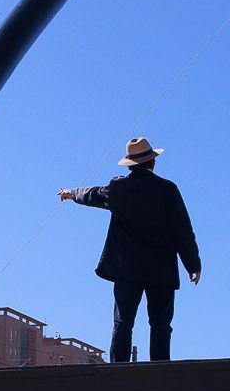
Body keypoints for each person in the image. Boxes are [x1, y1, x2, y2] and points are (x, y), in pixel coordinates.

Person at [59, 136, 200, 364]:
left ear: (130, 163)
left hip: (126, 268)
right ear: (152, 162)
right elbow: (182, 229)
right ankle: (160, 368)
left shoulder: (119, 188)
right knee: (161, 324)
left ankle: (119, 368)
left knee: (123, 321)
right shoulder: (167, 190)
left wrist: (70, 193)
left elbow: (91, 194)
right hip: (161, 268)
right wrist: (193, 264)